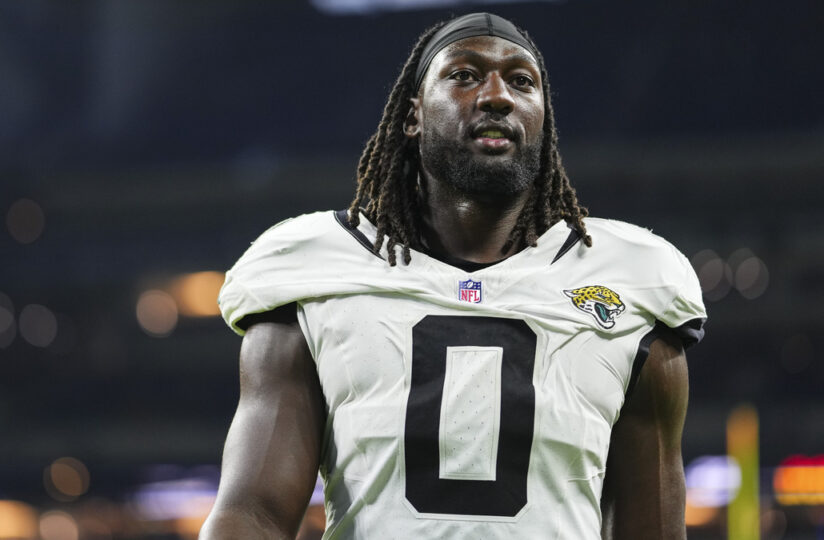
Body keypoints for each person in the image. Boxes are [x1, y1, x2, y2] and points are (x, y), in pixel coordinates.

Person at [200, 12, 706, 540]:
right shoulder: (316, 271)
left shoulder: (632, 282)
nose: (497, 96)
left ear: (542, 119)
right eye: (464, 75)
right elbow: (252, 514)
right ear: (413, 114)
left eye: (521, 81)